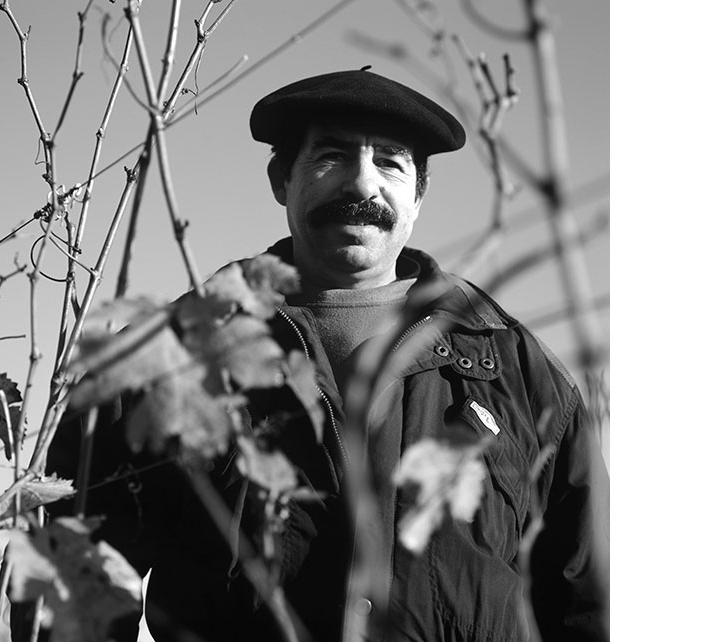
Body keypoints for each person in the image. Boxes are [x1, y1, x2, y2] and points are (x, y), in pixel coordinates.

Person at [30, 68, 609, 642]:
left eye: (389, 160)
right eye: (331, 156)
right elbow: (71, 589)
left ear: (419, 193)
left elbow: (589, 603)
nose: (363, 185)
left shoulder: (519, 374)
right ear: (282, 179)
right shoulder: (168, 358)